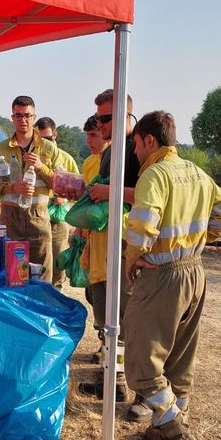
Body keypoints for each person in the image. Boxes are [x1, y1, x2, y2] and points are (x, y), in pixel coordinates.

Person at [123, 110, 221, 440]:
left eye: (137, 145)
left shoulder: (154, 174)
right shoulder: (197, 172)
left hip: (163, 274)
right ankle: (163, 427)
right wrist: (196, 241)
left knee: (142, 360)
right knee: (179, 359)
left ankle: (175, 435)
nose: (135, 153)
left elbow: (142, 224)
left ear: (150, 141)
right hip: (194, 273)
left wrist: (133, 258)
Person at [78, 89, 150, 421]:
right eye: (98, 118)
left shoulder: (140, 150)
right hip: (106, 245)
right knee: (110, 321)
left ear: (126, 116)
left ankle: (145, 394)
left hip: (130, 246)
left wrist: (110, 192)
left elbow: (150, 196)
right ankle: (114, 382)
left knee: (134, 323)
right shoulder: (111, 152)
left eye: (105, 118)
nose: (100, 124)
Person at [0, 96, 63, 283]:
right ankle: (16, 312)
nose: (23, 120)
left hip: (39, 219)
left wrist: (42, 167)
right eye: (18, 116)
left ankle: (39, 312)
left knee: (42, 277)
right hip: (10, 220)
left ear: (34, 117)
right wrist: (11, 187)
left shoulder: (49, 150)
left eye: (27, 116)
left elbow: (62, 187)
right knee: (12, 275)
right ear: (12, 117)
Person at [79, 115, 110, 363]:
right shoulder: (89, 163)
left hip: (110, 240)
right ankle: (104, 342)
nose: (88, 141)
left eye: (93, 135)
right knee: (93, 294)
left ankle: (111, 356)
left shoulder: (120, 163)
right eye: (87, 135)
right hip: (91, 238)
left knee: (110, 299)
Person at [35, 116, 79, 288]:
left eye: (47, 138)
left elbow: (79, 188)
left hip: (58, 220)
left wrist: (65, 197)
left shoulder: (66, 159)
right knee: (39, 260)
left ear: (55, 135)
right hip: (37, 217)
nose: (44, 142)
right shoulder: (32, 158)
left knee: (58, 259)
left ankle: (58, 291)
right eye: (40, 139)